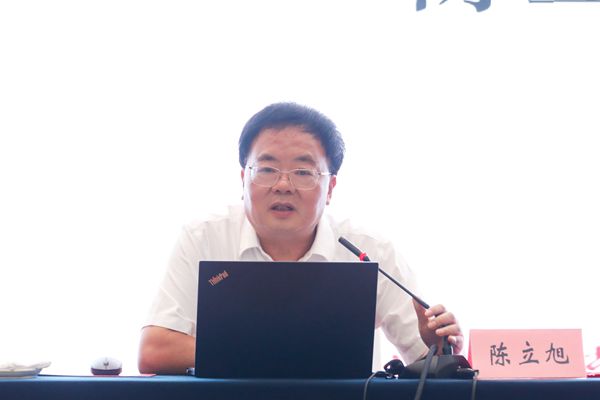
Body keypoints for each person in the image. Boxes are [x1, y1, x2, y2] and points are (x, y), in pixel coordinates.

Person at [138, 102, 463, 375]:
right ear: (243, 179)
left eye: (303, 173)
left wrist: (439, 347)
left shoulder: (369, 251)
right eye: (267, 170)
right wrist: (284, 349)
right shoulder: (204, 237)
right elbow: (155, 350)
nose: (283, 185)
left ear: (330, 188)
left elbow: (430, 361)